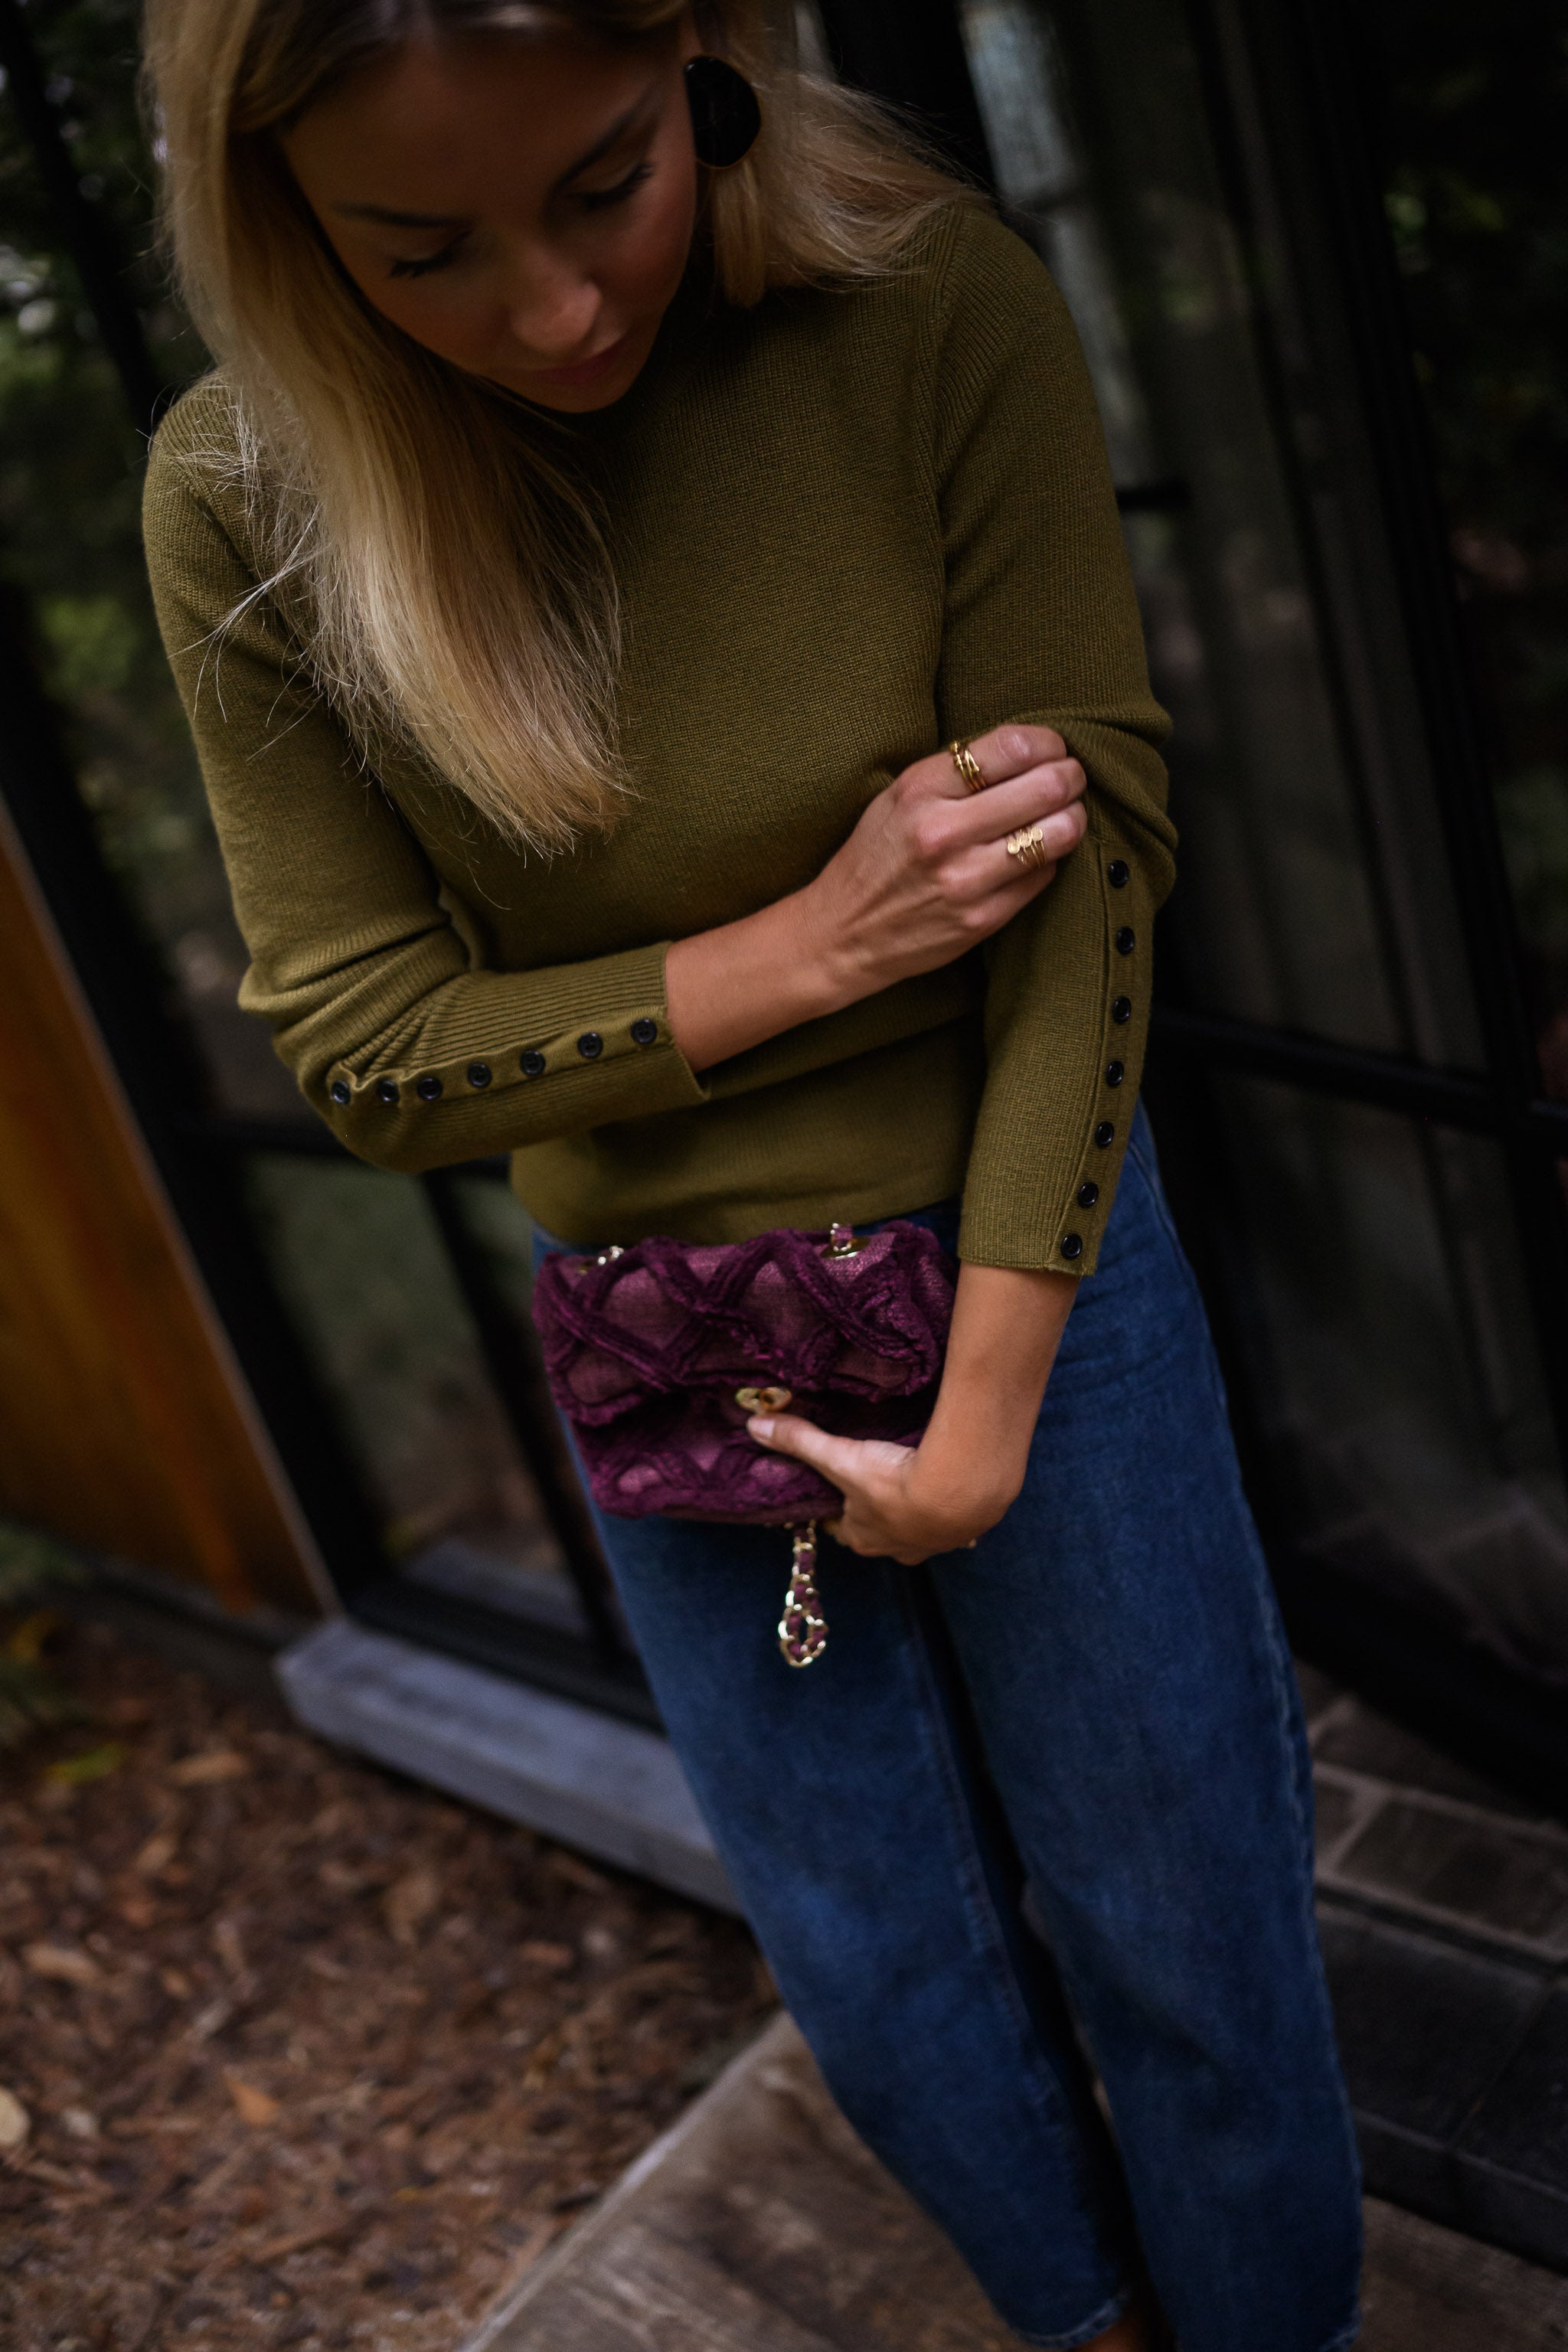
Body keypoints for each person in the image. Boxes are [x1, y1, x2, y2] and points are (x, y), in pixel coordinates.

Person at [140, 5, 1363, 2344]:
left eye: (605, 183)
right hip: (674, 1334)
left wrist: (989, 1402)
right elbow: (373, 1058)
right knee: (880, 1965)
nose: (552, 311)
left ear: (700, 47)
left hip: (1031, 1251)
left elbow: (1086, 872)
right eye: (422, 250)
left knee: (1190, 1926)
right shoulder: (245, 491)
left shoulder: (924, 304)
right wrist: (817, 947)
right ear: (284, 225)